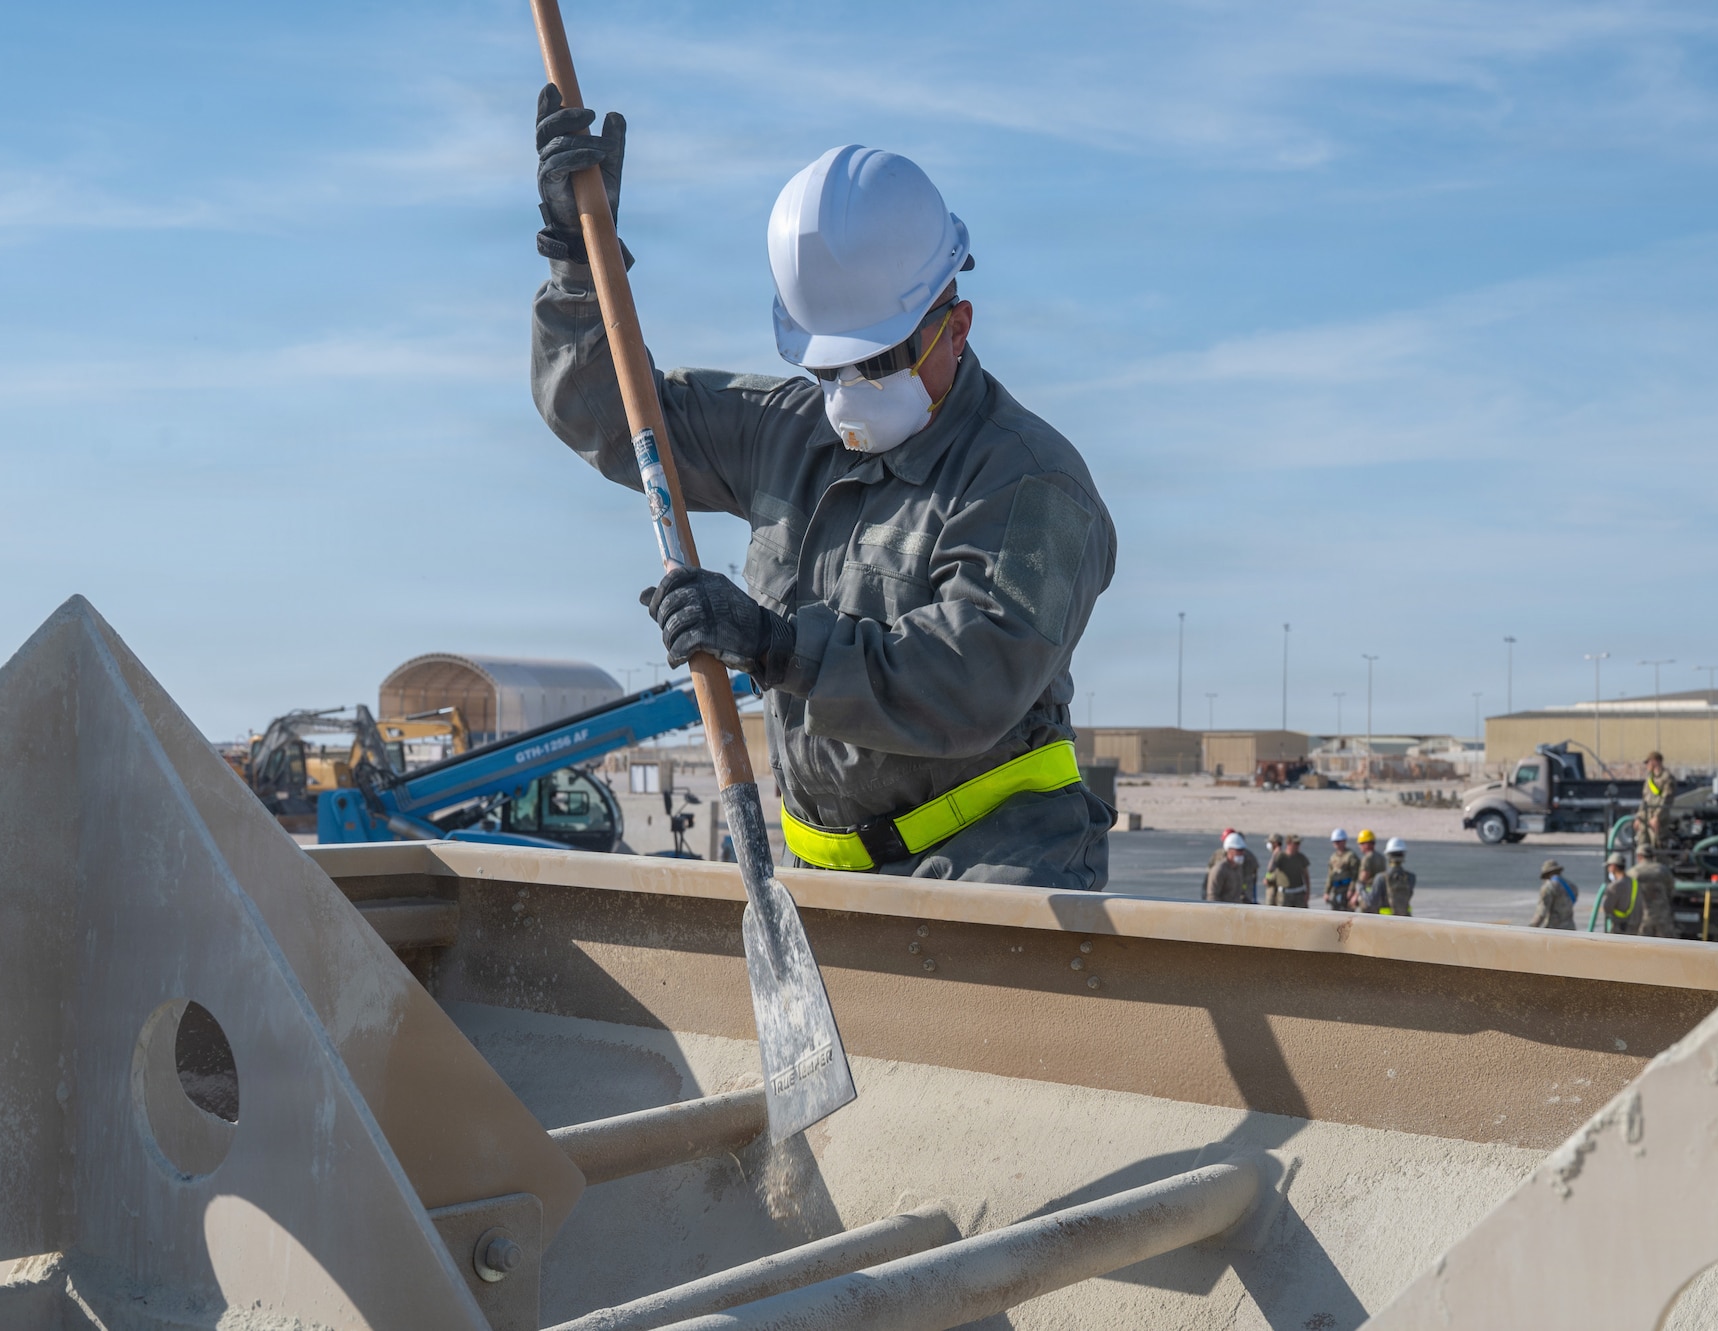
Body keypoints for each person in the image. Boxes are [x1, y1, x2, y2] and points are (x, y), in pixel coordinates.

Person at [531, 93, 1117, 889]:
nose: (848, 394)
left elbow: (972, 680)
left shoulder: (1035, 482)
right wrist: (576, 257)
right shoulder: (787, 430)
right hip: (822, 871)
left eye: (875, 363)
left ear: (958, 323)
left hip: (996, 865)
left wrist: (778, 645)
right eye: (827, 369)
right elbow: (612, 417)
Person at [1629, 844, 1680, 938]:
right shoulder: (1662, 870)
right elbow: (1671, 889)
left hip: (1642, 917)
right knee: (1666, 946)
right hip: (1663, 916)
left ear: (1639, 856)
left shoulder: (1634, 872)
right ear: (1653, 856)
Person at [1360, 837, 1416, 916]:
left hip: (1386, 922)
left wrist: (1361, 888)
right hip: (1405, 921)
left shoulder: (1381, 878)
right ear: (1403, 855)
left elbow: (1371, 902)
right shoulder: (1411, 877)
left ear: (1388, 856)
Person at [1636, 750, 1679, 851]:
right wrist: (1639, 816)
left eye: (1648, 762)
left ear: (1655, 761)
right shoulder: (1649, 779)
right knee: (1642, 844)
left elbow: (1666, 800)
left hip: (1658, 818)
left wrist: (1657, 817)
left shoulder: (1667, 778)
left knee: (1657, 844)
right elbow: (1645, 799)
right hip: (1646, 816)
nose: (1647, 765)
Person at [1203, 828, 1259, 902]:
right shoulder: (1219, 870)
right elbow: (1212, 896)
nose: (1242, 853)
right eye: (1238, 850)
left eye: (1242, 850)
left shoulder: (1238, 868)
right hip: (1223, 910)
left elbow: (1242, 888)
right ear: (1229, 851)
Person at [1598, 852, 1644, 934]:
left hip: (1619, 928)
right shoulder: (1634, 883)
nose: (1608, 869)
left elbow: (1607, 908)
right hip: (1634, 927)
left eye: (1608, 866)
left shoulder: (1614, 886)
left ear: (1613, 867)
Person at [1266, 832, 1311, 908]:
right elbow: (1270, 869)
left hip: (1299, 894)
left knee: (1301, 917)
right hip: (1284, 895)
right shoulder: (1281, 856)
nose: (1298, 845)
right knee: (1283, 917)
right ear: (1289, 843)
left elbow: (1306, 876)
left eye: (1298, 843)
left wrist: (1307, 893)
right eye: (1295, 843)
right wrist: (1274, 855)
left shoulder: (1301, 857)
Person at [1530, 859, 1578, 930]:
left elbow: (1541, 913)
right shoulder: (1572, 886)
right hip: (1570, 929)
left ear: (1547, 874)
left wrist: (1530, 928)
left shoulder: (1548, 887)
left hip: (1554, 930)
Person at [1324, 829, 1359, 912]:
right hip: (1336, 890)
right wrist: (1327, 892)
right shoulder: (1333, 857)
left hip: (1347, 889)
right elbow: (1330, 876)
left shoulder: (1351, 856)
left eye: (1339, 841)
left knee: (1347, 913)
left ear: (1344, 841)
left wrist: (1351, 889)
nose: (1337, 844)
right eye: (1335, 842)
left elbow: (1355, 875)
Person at [1355, 829, 1382, 909]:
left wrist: (1355, 895)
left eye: (1361, 844)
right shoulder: (1381, 857)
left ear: (1366, 844)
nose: (1360, 846)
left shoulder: (1367, 858)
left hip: (1368, 895)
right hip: (1380, 895)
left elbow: (1363, 877)